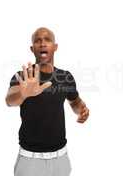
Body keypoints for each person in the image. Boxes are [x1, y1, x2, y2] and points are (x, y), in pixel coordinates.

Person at [5, 27, 89, 176]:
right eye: (37, 41)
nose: (42, 43)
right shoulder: (22, 76)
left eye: (47, 40)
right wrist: (23, 94)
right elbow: (10, 100)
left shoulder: (65, 77)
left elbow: (75, 101)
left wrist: (81, 109)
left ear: (55, 47)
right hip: (29, 160)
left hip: (61, 159)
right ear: (32, 49)